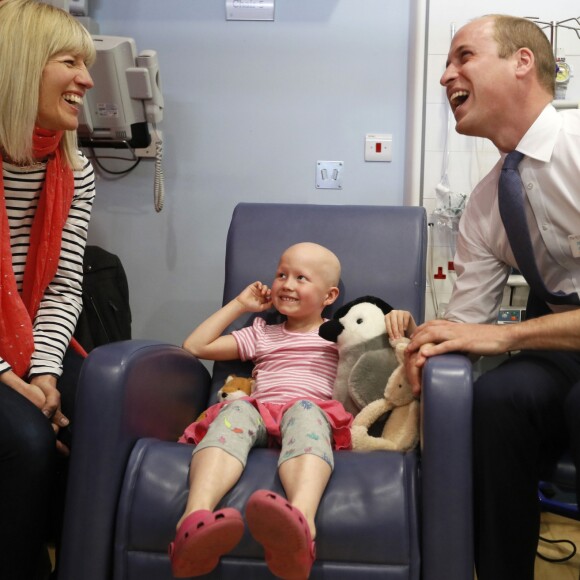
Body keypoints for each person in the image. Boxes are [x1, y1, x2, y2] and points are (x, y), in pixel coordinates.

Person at [386, 14, 580, 580]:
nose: (447, 76)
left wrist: (505, 334)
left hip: (555, 348)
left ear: (522, 62)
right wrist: (424, 353)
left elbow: (493, 332)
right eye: (446, 63)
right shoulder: (487, 202)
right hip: (562, 349)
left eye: (463, 57)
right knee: (497, 401)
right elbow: (466, 322)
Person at [171, 242, 352, 579]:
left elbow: (382, 354)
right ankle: (193, 521)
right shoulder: (261, 333)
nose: (287, 284)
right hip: (259, 409)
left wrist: (404, 321)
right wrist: (240, 305)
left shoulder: (338, 337)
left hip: (306, 411)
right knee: (234, 411)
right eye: (281, 274)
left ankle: (300, 527)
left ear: (329, 296)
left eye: (301, 278)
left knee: (306, 411)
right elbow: (195, 346)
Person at [0, 1, 96, 578]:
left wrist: (44, 374)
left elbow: (63, 286)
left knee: (110, 416)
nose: (86, 79)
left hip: (28, 343)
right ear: (21, 66)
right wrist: (7, 378)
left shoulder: (73, 169)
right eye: (70, 62)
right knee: (27, 442)